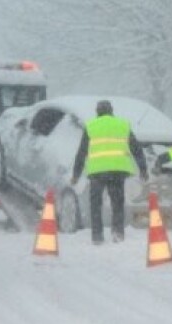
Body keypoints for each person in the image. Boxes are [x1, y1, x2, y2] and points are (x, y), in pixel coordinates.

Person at [71, 100, 148, 244]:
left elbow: (81, 153)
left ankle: (97, 236)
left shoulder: (91, 126)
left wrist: (76, 175)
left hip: (97, 172)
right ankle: (118, 233)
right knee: (117, 203)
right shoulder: (122, 125)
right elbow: (136, 149)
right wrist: (143, 169)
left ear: (97, 112)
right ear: (112, 111)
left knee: (96, 205)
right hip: (118, 171)